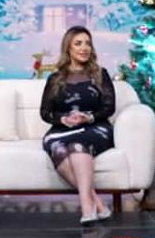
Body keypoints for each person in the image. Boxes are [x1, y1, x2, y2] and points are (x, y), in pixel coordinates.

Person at [40, 26, 117, 225]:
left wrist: (88, 117)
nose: (84, 48)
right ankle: (98, 204)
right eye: (78, 43)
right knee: (58, 147)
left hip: (95, 126)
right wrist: (63, 120)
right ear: (68, 48)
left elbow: (109, 108)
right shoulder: (55, 78)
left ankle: (86, 207)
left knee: (76, 146)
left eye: (87, 43)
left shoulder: (100, 74)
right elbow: (45, 113)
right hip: (63, 128)